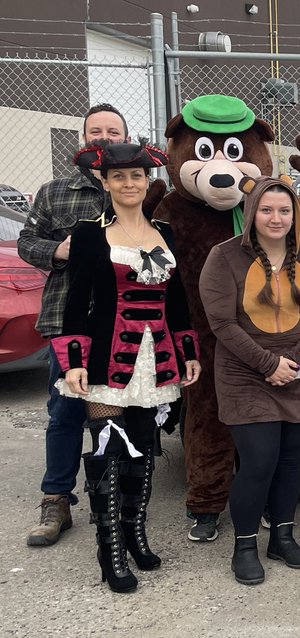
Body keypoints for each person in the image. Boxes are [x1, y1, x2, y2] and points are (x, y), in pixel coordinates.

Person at [51, 142, 200, 592]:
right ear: (105, 182)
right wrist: (73, 363)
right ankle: (110, 548)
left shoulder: (166, 233)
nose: (129, 184)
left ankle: (136, 535)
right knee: (108, 452)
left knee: (143, 448)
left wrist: (188, 350)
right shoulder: (89, 234)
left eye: (136, 176)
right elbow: (76, 304)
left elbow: (177, 303)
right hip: (104, 362)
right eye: (119, 177)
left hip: (155, 360)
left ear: (147, 181)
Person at [18, 104, 149, 547]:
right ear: (83, 140)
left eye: (114, 131)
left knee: (127, 411)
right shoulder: (56, 192)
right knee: (67, 410)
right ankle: (56, 499)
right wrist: (60, 251)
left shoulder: (140, 191)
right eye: (96, 131)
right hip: (67, 318)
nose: (105, 138)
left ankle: (113, 499)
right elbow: (26, 242)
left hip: (126, 323)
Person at [198, 176, 300, 585]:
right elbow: (221, 322)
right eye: (266, 209)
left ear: (295, 215)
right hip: (245, 372)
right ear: (252, 213)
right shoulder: (223, 257)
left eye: (284, 210)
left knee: (293, 460)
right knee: (259, 461)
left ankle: (282, 536)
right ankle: (244, 546)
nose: (276, 218)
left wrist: (289, 362)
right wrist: (266, 363)